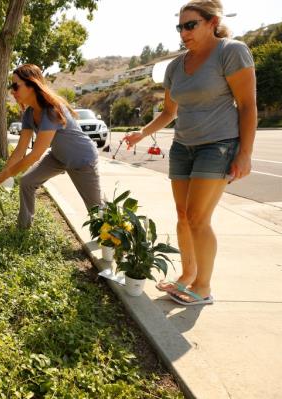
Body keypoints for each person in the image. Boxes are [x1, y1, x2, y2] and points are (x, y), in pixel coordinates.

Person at [124, 0, 256, 305]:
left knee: (198, 217)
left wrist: (245, 153)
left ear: (212, 22)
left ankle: (203, 287)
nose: (184, 32)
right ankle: (187, 276)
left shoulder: (231, 52)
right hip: (183, 147)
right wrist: (142, 133)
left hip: (218, 145)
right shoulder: (175, 66)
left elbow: (247, 105)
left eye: (190, 24)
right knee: (183, 216)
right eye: (180, 26)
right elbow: (170, 111)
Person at [0, 63, 102, 229]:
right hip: (58, 156)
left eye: (15, 86)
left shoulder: (51, 111)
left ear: (32, 85)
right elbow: (20, 150)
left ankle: (115, 241)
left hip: (82, 159)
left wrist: (5, 175)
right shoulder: (28, 114)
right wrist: (3, 173)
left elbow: (35, 154)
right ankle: (23, 228)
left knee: (96, 210)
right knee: (27, 181)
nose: (12, 91)